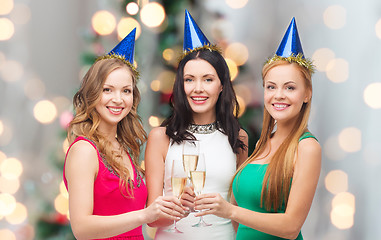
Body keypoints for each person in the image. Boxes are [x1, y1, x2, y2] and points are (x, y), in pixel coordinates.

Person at [194, 17, 322, 240]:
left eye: (290, 87)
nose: (278, 95)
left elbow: (291, 227)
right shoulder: (264, 143)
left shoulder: (307, 147)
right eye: (271, 87)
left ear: (307, 94)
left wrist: (230, 210)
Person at [63, 28, 185, 240]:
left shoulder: (124, 147)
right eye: (107, 90)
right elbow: (81, 228)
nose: (118, 99)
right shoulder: (84, 150)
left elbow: (146, 213)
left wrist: (180, 202)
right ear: (92, 94)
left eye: (126, 91)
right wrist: (144, 215)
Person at [144, 10, 248, 240]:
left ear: (222, 86)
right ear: (181, 85)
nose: (197, 89)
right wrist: (178, 207)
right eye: (189, 80)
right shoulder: (161, 137)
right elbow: (152, 217)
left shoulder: (238, 137)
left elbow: (238, 213)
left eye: (208, 79)